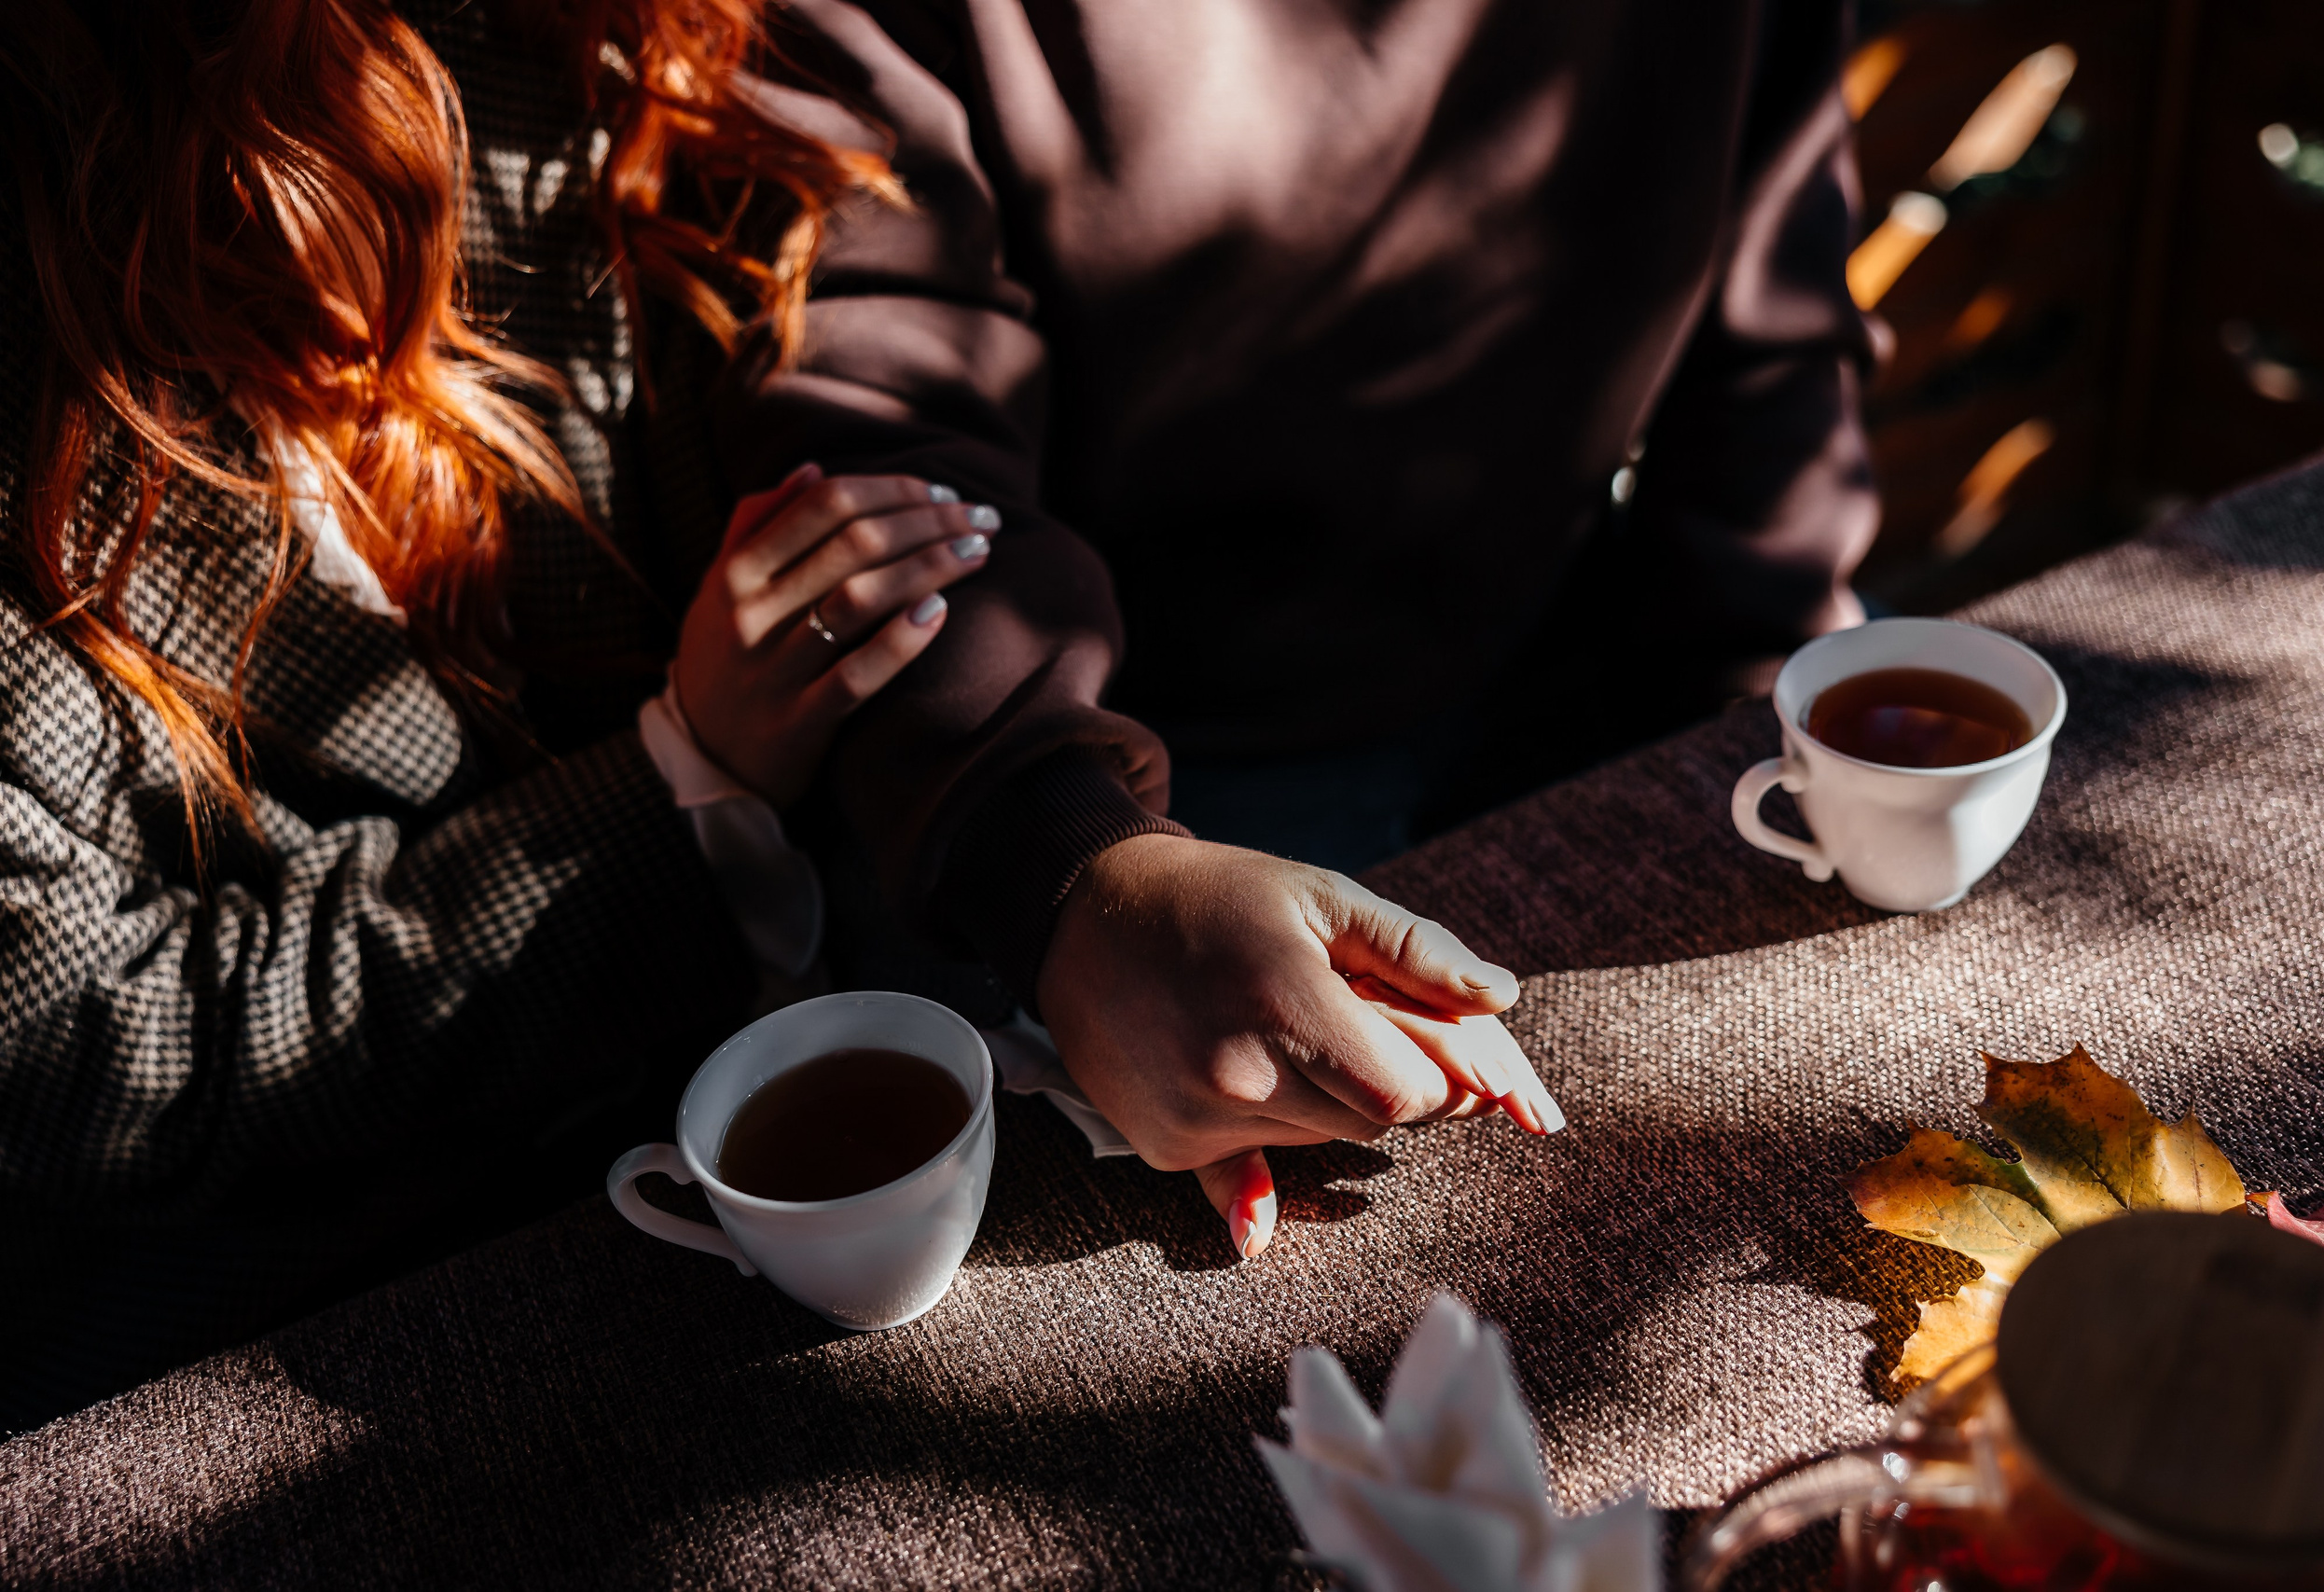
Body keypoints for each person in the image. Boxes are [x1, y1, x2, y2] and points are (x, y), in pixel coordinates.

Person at [0, 0, 1552, 1430]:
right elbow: (82, 1061)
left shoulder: (592, 54)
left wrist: (1073, 910)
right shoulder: (65, 329)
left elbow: (869, 472)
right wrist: (685, 779)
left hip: (812, 1135)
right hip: (292, 1338)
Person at [719, 1, 1875, 1256]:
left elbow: (1772, 357)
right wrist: (1069, 871)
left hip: (1580, 683)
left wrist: (1756, 721)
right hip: (1124, 790)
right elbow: (887, 456)